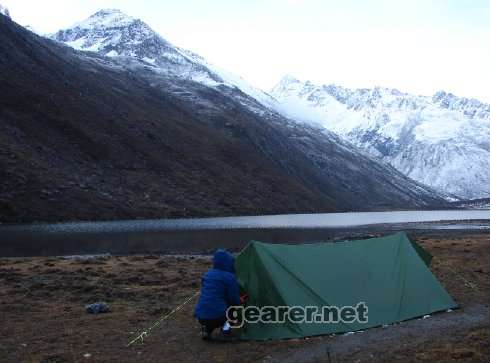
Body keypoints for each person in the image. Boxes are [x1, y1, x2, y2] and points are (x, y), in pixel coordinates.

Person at [194, 249, 241, 340]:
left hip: (201, 317)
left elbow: (207, 292)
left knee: (210, 309)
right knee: (233, 312)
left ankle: (206, 331)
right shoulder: (229, 277)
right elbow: (233, 299)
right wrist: (240, 304)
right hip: (218, 316)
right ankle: (225, 331)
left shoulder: (207, 274)